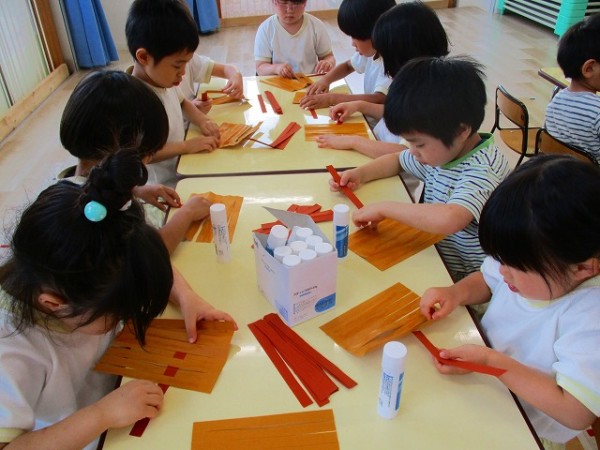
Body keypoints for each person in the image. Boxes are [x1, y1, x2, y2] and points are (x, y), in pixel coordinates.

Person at [419, 155, 600, 449]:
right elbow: (488, 280)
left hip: (528, 428)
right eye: (500, 259)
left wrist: (493, 362)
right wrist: (456, 293)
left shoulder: (590, 317)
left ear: (582, 268)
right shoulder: (525, 259)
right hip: (485, 383)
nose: (503, 272)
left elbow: (576, 412)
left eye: (515, 267)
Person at [0, 152, 173, 450]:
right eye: (116, 313)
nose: (123, 318)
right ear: (53, 304)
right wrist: (101, 415)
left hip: (119, 397)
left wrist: (187, 297)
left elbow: (135, 263)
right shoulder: (11, 354)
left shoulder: (88, 230)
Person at [330, 56, 510, 281]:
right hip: (434, 254)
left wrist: (385, 208)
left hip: (468, 277)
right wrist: (361, 174)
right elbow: (397, 160)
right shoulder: (443, 152)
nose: (413, 151)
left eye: (419, 144)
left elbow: (450, 218)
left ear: (461, 130)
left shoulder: (483, 169)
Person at [60, 70, 211, 254]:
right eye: (150, 154)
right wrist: (187, 213)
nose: (150, 158)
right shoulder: (100, 216)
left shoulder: (71, 187)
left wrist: (136, 190)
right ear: (127, 155)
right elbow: (153, 251)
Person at [317, 1, 450, 155]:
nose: (382, 62)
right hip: (376, 142)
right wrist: (360, 106)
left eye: (384, 54)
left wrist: (354, 141)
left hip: (389, 163)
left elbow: (405, 154)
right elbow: (399, 115)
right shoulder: (416, 80)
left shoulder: (427, 97)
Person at [126, 0, 221, 186]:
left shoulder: (163, 80)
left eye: (186, 63)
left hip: (183, 167)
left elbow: (182, 101)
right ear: (144, 57)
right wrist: (185, 146)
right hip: (160, 186)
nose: (183, 73)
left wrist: (202, 120)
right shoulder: (132, 101)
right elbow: (140, 154)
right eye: (177, 65)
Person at [299, 0, 395, 115]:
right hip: (368, 116)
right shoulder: (373, 51)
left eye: (356, 37)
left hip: (380, 123)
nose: (352, 43)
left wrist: (331, 99)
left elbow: (379, 99)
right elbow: (347, 66)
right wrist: (325, 80)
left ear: (377, 33)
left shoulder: (392, 62)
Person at [544, 13, 600, 165]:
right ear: (589, 69)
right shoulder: (597, 111)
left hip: (555, 170)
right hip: (589, 176)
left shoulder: (557, 95)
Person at [254, 0, 336, 77]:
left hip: (309, 81)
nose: (289, 10)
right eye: (284, 3)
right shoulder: (266, 29)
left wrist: (328, 63)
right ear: (274, 1)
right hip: (278, 82)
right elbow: (260, 68)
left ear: (305, 3)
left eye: (296, 3)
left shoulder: (316, 26)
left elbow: (328, 56)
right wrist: (276, 68)